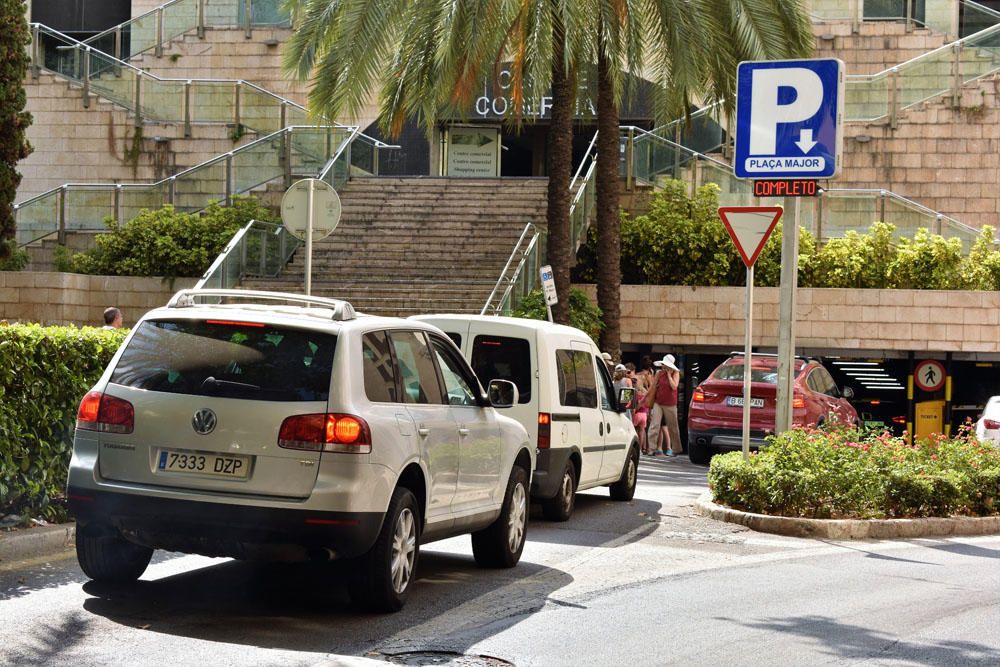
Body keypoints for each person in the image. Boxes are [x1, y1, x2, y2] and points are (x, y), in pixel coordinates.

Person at [646, 353, 682, 456]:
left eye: (666, 365)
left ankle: (676, 449)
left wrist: (669, 376)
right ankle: (651, 448)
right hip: (658, 402)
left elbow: (674, 387)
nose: (664, 366)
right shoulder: (658, 373)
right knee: (654, 425)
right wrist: (646, 398)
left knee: (673, 427)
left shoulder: (675, 373)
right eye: (664, 365)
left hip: (670, 404)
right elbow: (652, 387)